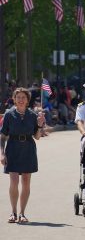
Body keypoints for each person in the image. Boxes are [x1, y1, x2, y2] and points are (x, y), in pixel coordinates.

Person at [0, 87, 46, 223]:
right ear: (14, 99)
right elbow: (2, 136)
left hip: (28, 149)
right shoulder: (9, 114)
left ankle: (22, 213)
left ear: (27, 100)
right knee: (14, 181)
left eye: (23, 98)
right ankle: (13, 212)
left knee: (26, 181)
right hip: (13, 148)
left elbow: (37, 137)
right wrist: (2, 154)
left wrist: (40, 125)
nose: (21, 100)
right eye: (18, 97)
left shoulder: (32, 115)